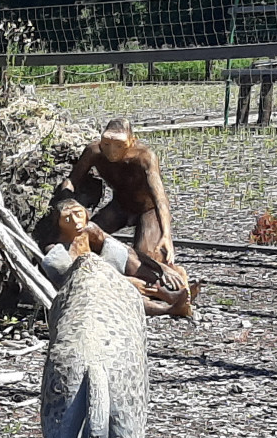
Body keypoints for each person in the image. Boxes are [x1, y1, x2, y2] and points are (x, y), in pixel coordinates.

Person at [61, 117, 193, 301]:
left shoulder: (145, 157)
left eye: (119, 145)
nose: (111, 151)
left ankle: (172, 275)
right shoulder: (94, 151)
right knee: (84, 237)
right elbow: (72, 179)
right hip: (120, 206)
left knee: (146, 261)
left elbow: (160, 198)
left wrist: (166, 235)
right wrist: (65, 199)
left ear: (132, 141)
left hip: (148, 210)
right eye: (106, 143)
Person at [44, 199, 194, 317]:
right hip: (91, 283)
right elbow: (73, 280)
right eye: (67, 219)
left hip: (104, 267)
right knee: (125, 288)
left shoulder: (89, 230)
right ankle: (168, 309)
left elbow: (124, 248)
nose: (76, 221)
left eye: (78, 214)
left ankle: (171, 294)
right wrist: (119, 280)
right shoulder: (57, 249)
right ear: (58, 223)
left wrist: (162, 268)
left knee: (126, 255)